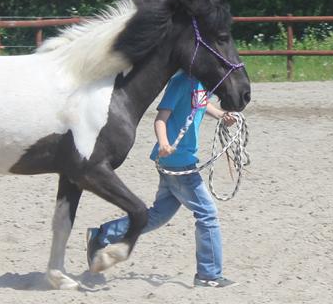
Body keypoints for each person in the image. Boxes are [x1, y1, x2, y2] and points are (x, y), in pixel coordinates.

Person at [86, 70, 238, 288]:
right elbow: (161, 118)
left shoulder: (200, 82)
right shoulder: (180, 82)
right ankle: (209, 274)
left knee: (158, 215)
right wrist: (164, 143)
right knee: (207, 214)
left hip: (179, 160)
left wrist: (222, 115)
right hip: (178, 161)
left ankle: (103, 235)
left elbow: (201, 103)